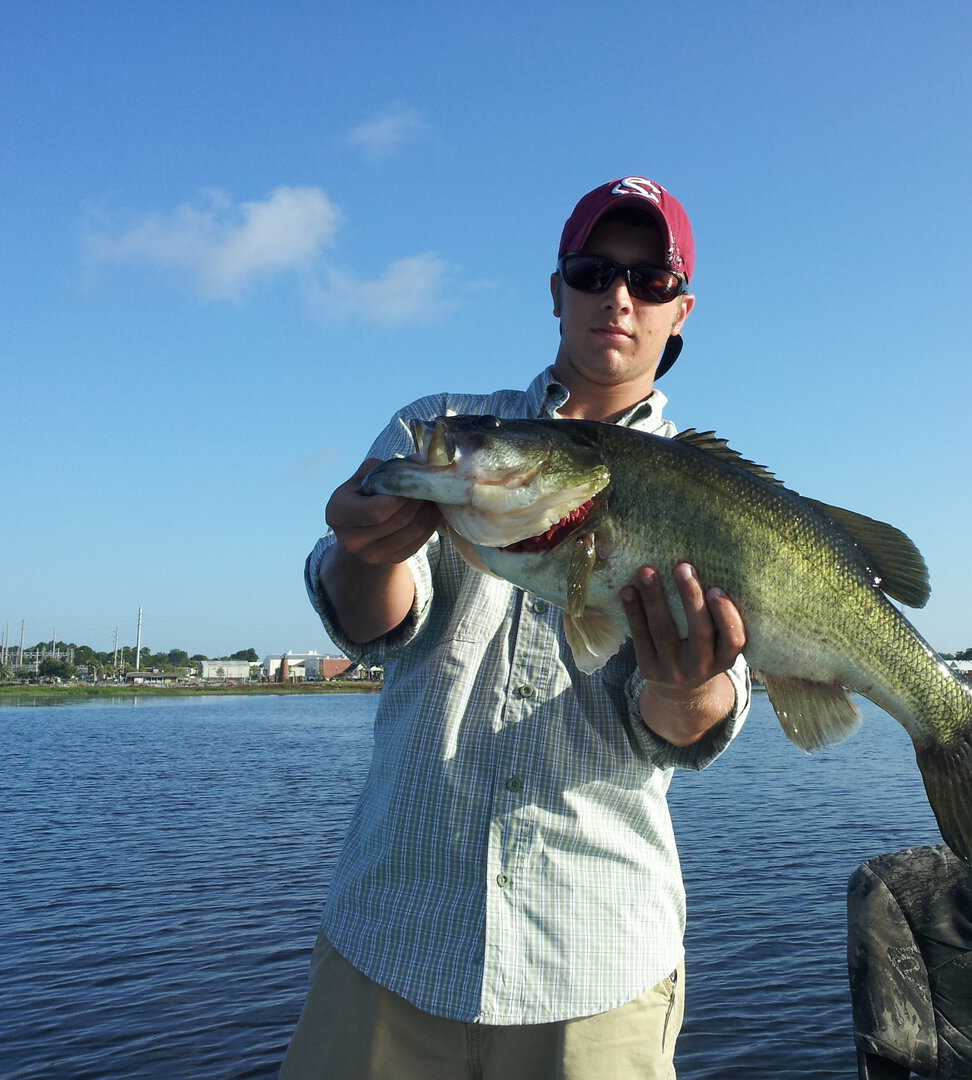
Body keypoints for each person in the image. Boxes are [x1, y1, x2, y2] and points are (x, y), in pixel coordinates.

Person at [281, 176, 752, 1080]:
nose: (618, 296)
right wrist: (364, 555)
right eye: (592, 272)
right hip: (391, 937)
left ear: (680, 311)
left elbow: (690, 729)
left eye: (650, 280)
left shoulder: (714, 495)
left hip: (596, 966)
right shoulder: (439, 430)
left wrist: (688, 686)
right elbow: (373, 626)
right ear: (556, 291)